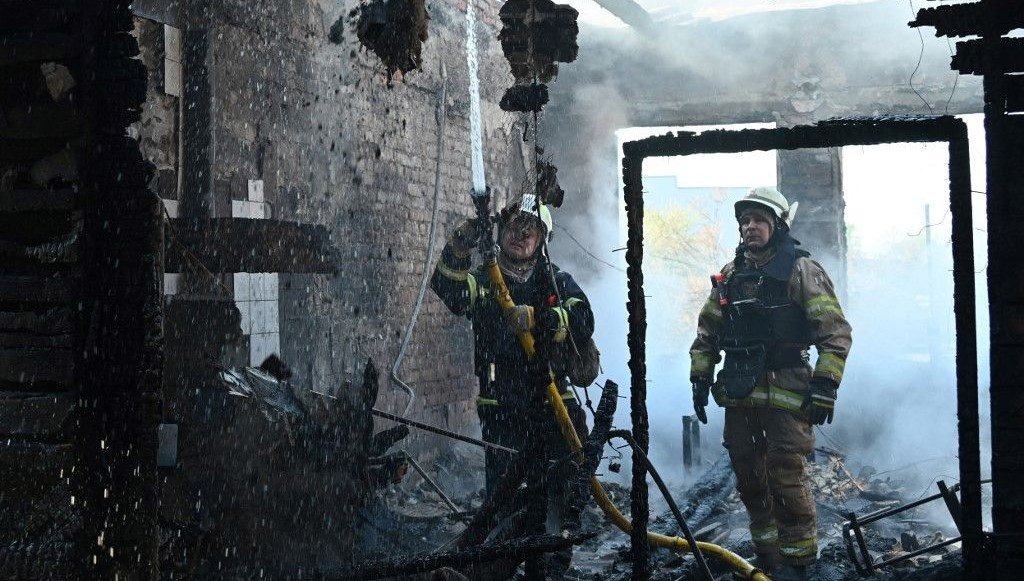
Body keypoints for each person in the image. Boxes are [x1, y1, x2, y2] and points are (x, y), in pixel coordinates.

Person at [689, 187, 853, 581]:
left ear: (777, 225)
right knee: (748, 475)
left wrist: (826, 385)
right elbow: (707, 331)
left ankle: (799, 564)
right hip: (740, 392)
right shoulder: (730, 276)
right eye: (745, 221)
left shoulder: (801, 270)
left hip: (788, 390)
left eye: (758, 220)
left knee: (785, 474)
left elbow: (835, 333)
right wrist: (700, 376)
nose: (750, 227)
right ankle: (767, 556)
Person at [430, 194, 595, 576]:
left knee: (559, 491)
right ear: (502, 231)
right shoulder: (486, 281)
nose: (521, 233)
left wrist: (541, 317)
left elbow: (583, 317)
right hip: (501, 404)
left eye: (531, 228)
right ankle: (499, 567)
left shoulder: (554, 281)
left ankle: (548, 565)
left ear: (542, 241)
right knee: (505, 495)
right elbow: (450, 290)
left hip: (552, 401)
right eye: (515, 225)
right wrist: (457, 249)